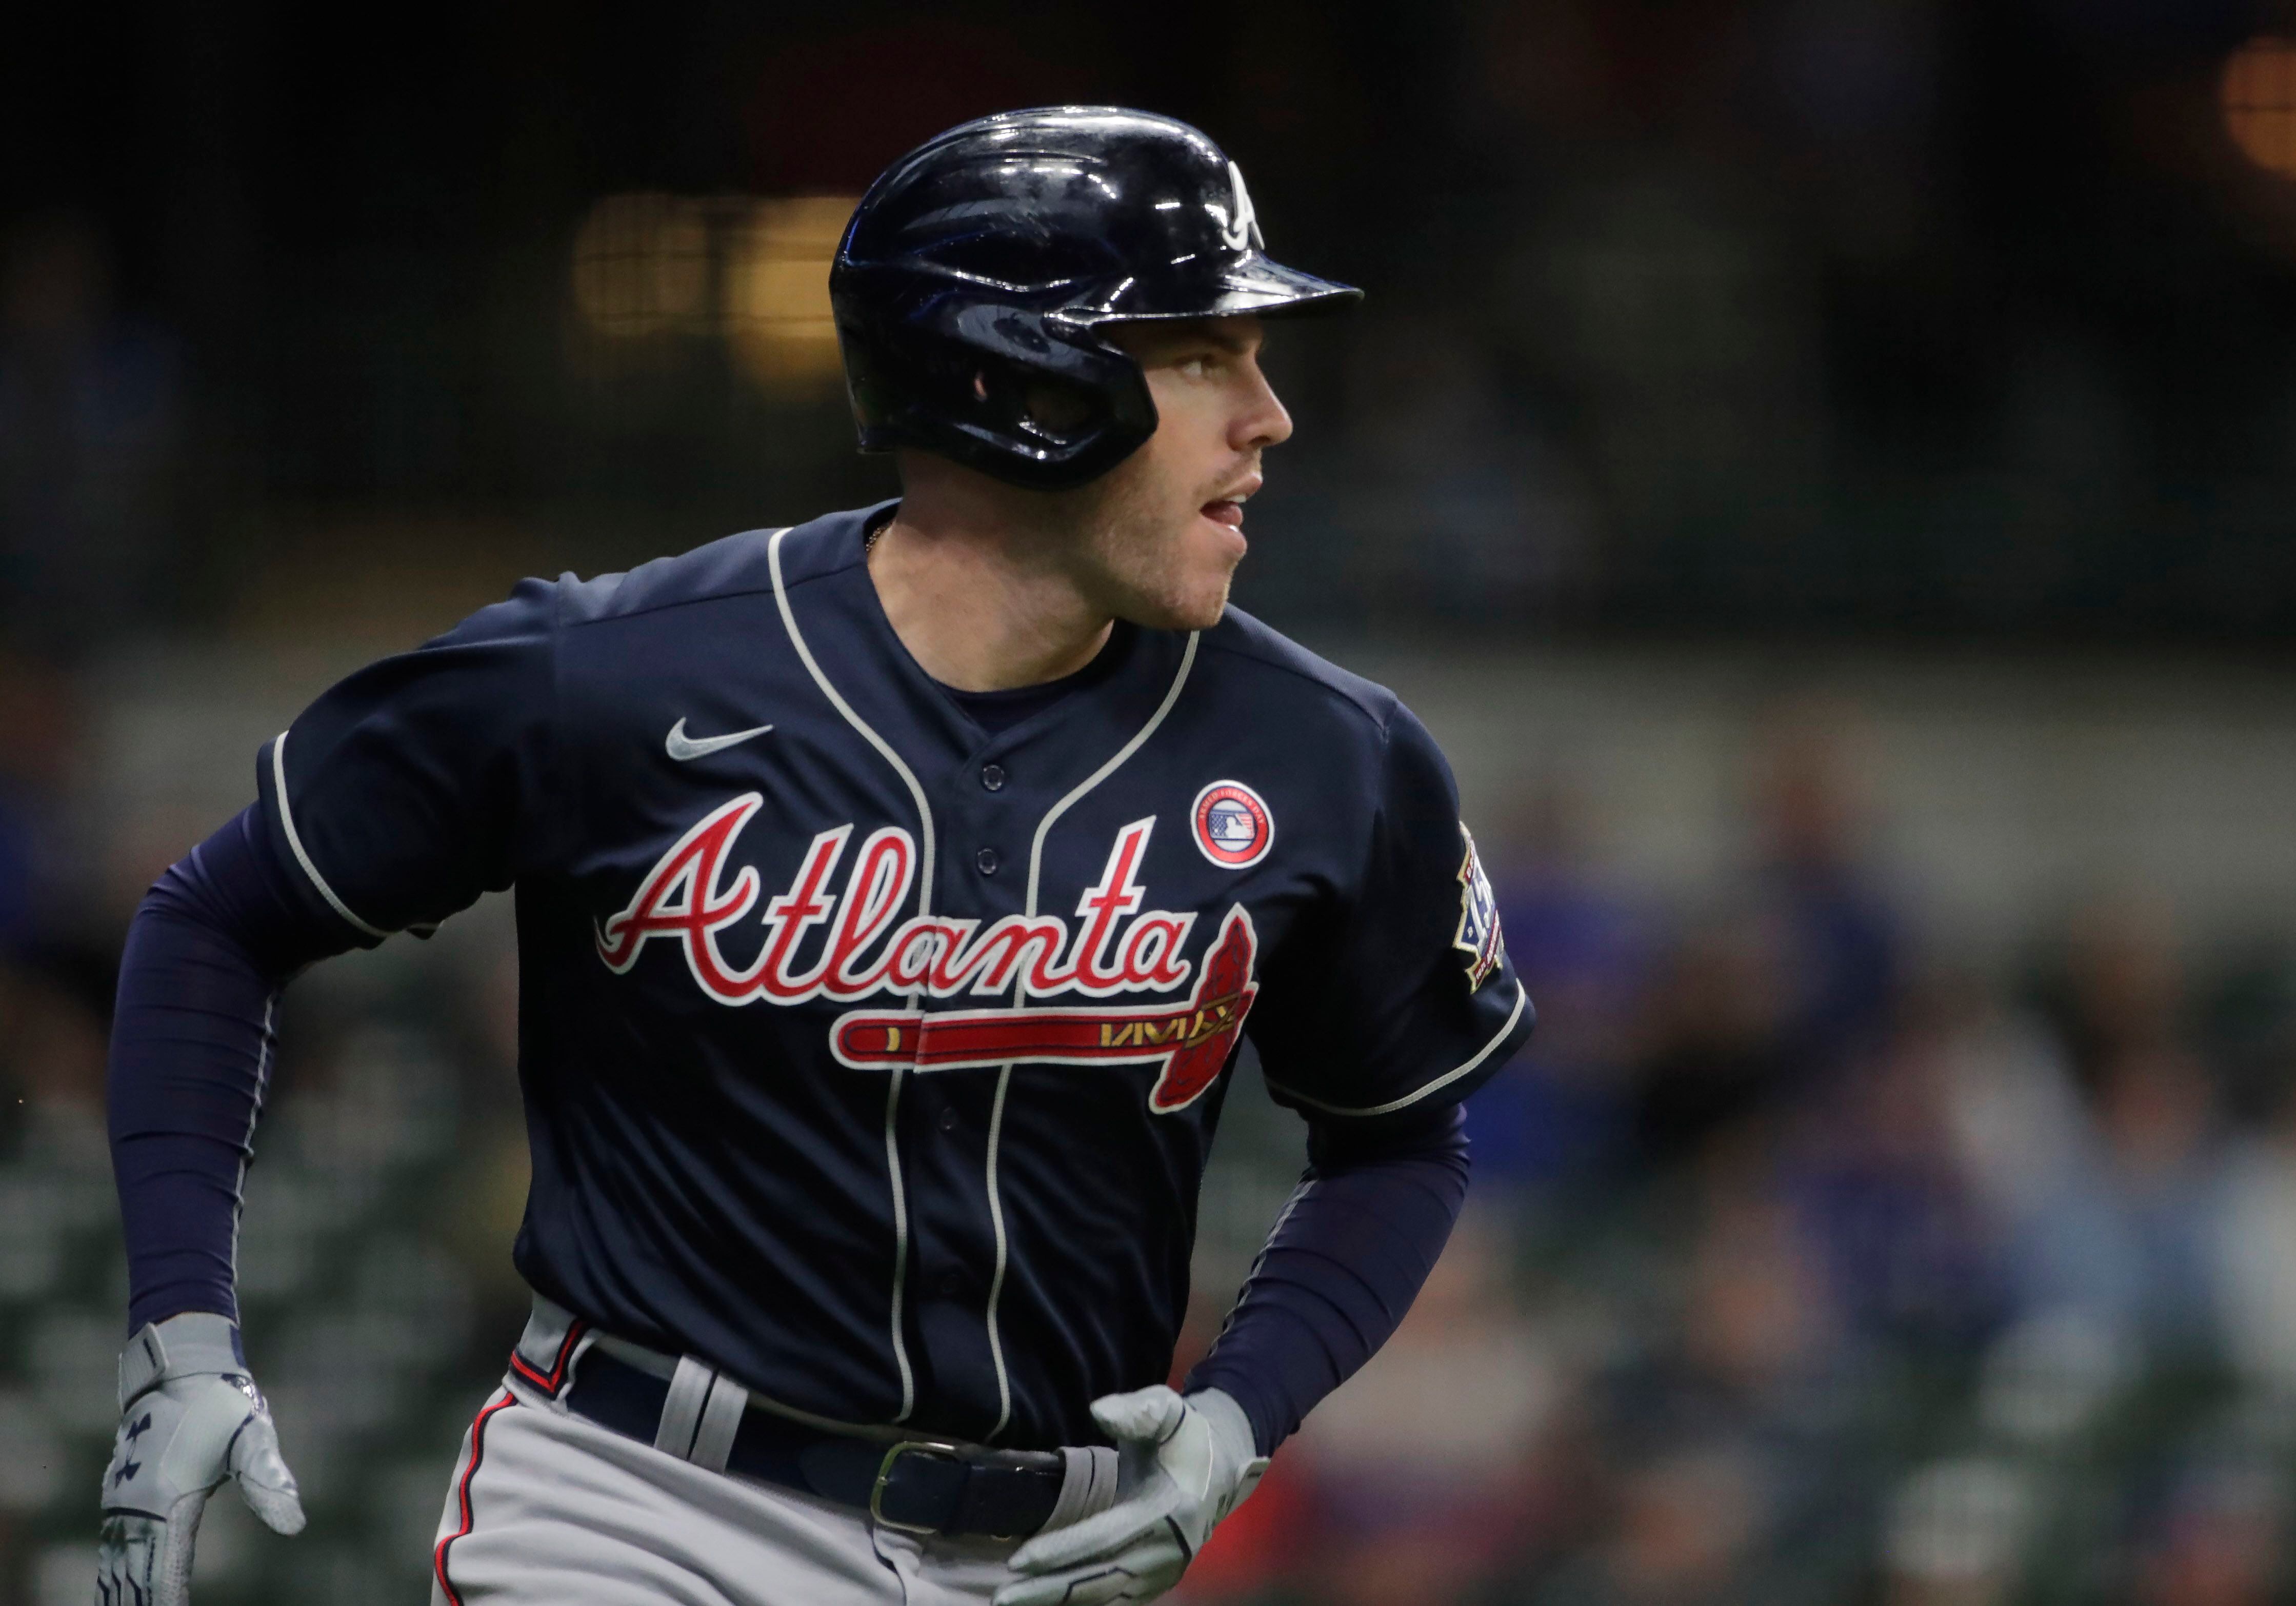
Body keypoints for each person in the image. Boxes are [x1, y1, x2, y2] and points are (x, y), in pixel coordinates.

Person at [94, 108, 1532, 1606]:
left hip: (1054, 1554)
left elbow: (1395, 1134)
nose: (1268, 414)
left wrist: (1242, 1413)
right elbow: (217, 915)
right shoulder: (617, 676)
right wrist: (180, 1337)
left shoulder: (1329, 755)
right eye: (1196, 354)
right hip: (644, 1502)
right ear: (1012, 382)